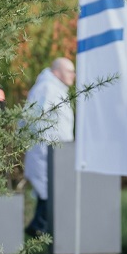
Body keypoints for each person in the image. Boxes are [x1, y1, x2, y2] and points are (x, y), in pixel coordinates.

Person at [21, 57, 75, 241]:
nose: (73, 76)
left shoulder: (57, 90)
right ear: (57, 71)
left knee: (51, 192)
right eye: (70, 71)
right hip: (45, 152)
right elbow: (31, 117)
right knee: (48, 192)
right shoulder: (46, 88)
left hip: (58, 153)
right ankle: (39, 229)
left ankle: (41, 230)